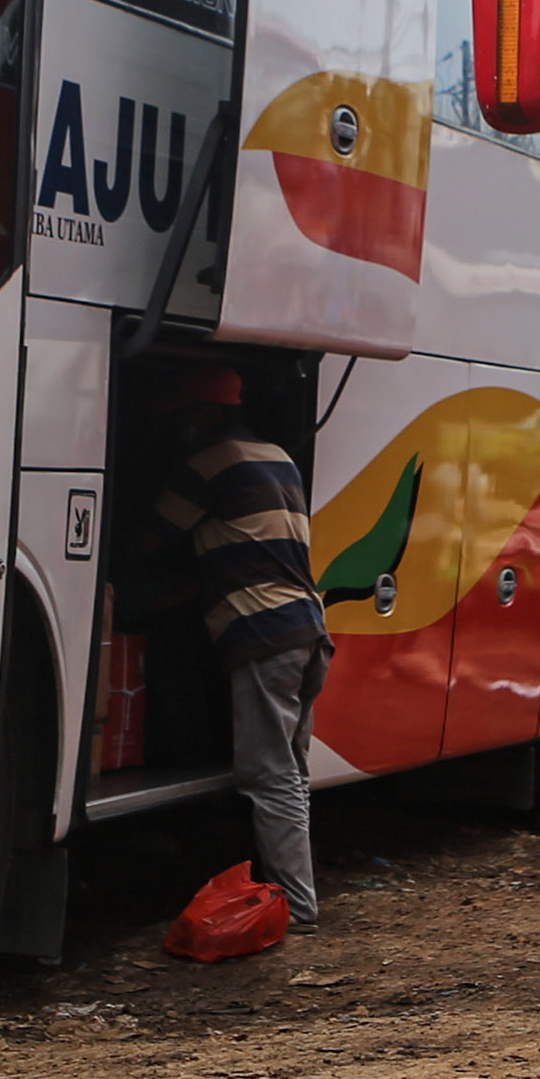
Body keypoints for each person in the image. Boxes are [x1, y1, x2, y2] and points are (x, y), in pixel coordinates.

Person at [144, 364, 330, 926]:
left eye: (181, 415)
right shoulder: (278, 457)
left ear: (201, 413)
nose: (177, 427)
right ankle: (294, 897)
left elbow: (151, 540)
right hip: (309, 631)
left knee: (269, 777)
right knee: (291, 774)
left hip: (263, 635)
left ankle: (297, 908)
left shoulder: (207, 463)